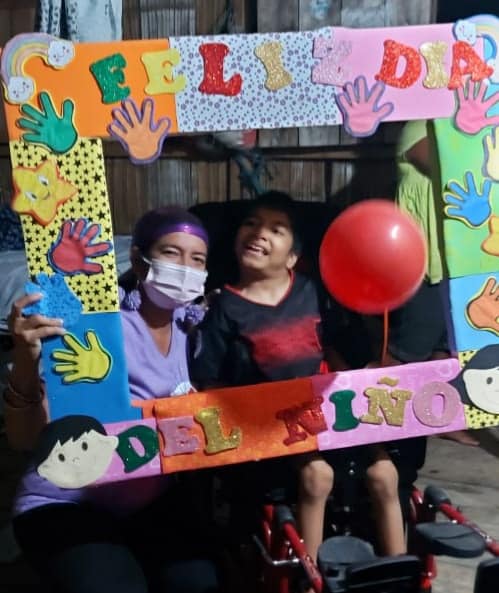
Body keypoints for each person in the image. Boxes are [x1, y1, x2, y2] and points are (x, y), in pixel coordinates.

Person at [4, 207, 221, 593]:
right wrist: (25, 358)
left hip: (147, 499)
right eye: (171, 253)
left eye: (197, 259)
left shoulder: (197, 330)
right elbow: (25, 438)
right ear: (138, 260)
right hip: (66, 501)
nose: (185, 268)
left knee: (199, 583)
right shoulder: (95, 322)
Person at [191, 191, 406, 564]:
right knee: (317, 476)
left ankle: (399, 572)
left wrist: (357, 383)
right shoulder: (224, 307)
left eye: (276, 229)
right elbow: (210, 382)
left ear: (292, 256)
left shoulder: (312, 291)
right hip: (272, 423)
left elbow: (331, 347)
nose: (260, 232)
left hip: (331, 408)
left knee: (385, 474)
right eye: (251, 223)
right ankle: (312, 577)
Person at [385, 119, 478, 446]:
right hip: (422, 261)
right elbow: (453, 167)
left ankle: (440, 416)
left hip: (456, 257)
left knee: (445, 346)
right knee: (409, 348)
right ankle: (377, 418)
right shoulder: (418, 128)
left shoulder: (458, 127)